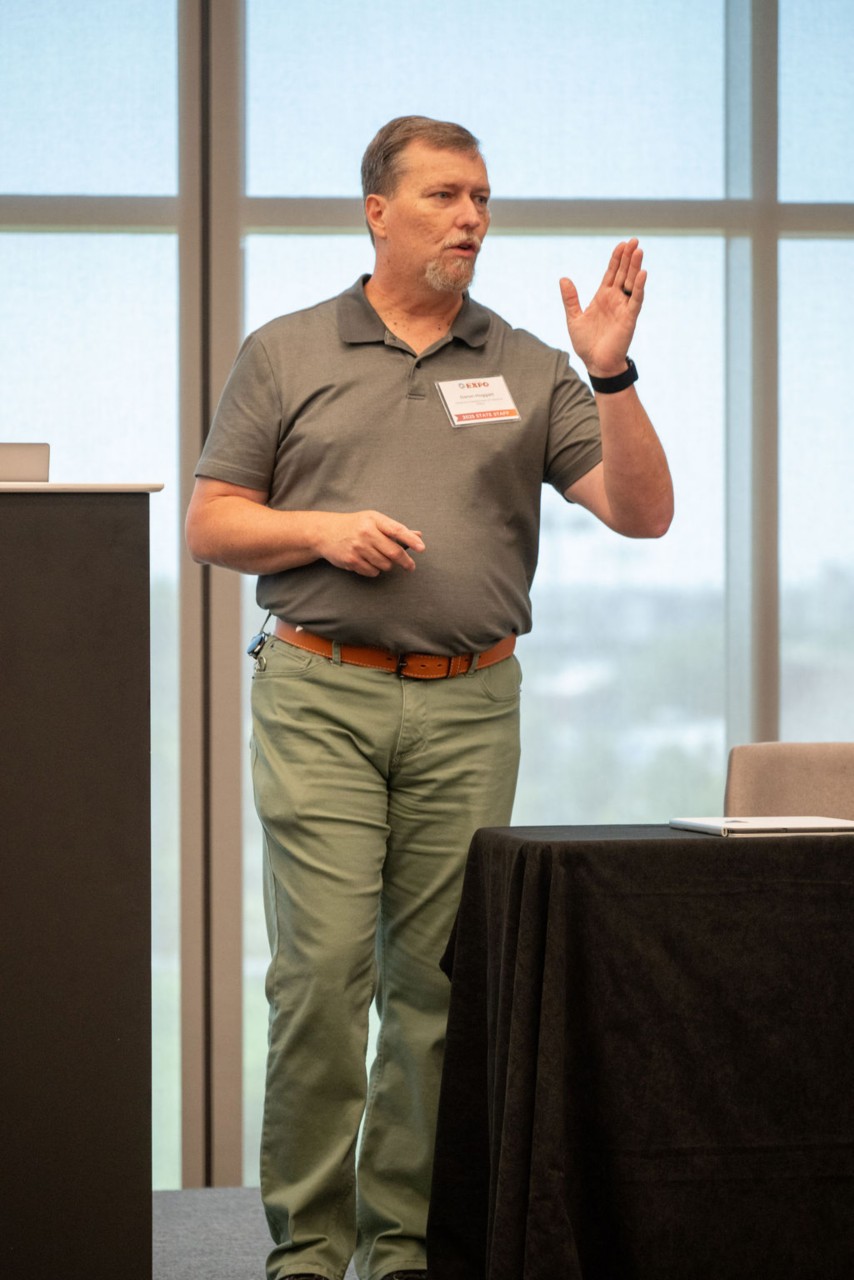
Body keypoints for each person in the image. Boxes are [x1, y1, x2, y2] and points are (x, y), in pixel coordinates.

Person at [185, 115, 673, 1280]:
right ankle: (311, 1242)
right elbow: (210, 523)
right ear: (377, 210)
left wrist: (608, 370)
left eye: (483, 198)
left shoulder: (526, 365)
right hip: (320, 690)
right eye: (446, 195)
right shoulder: (287, 349)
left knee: (434, 983)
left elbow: (641, 509)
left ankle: (398, 1244)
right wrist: (318, 528)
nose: (470, 218)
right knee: (322, 974)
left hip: (469, 702)